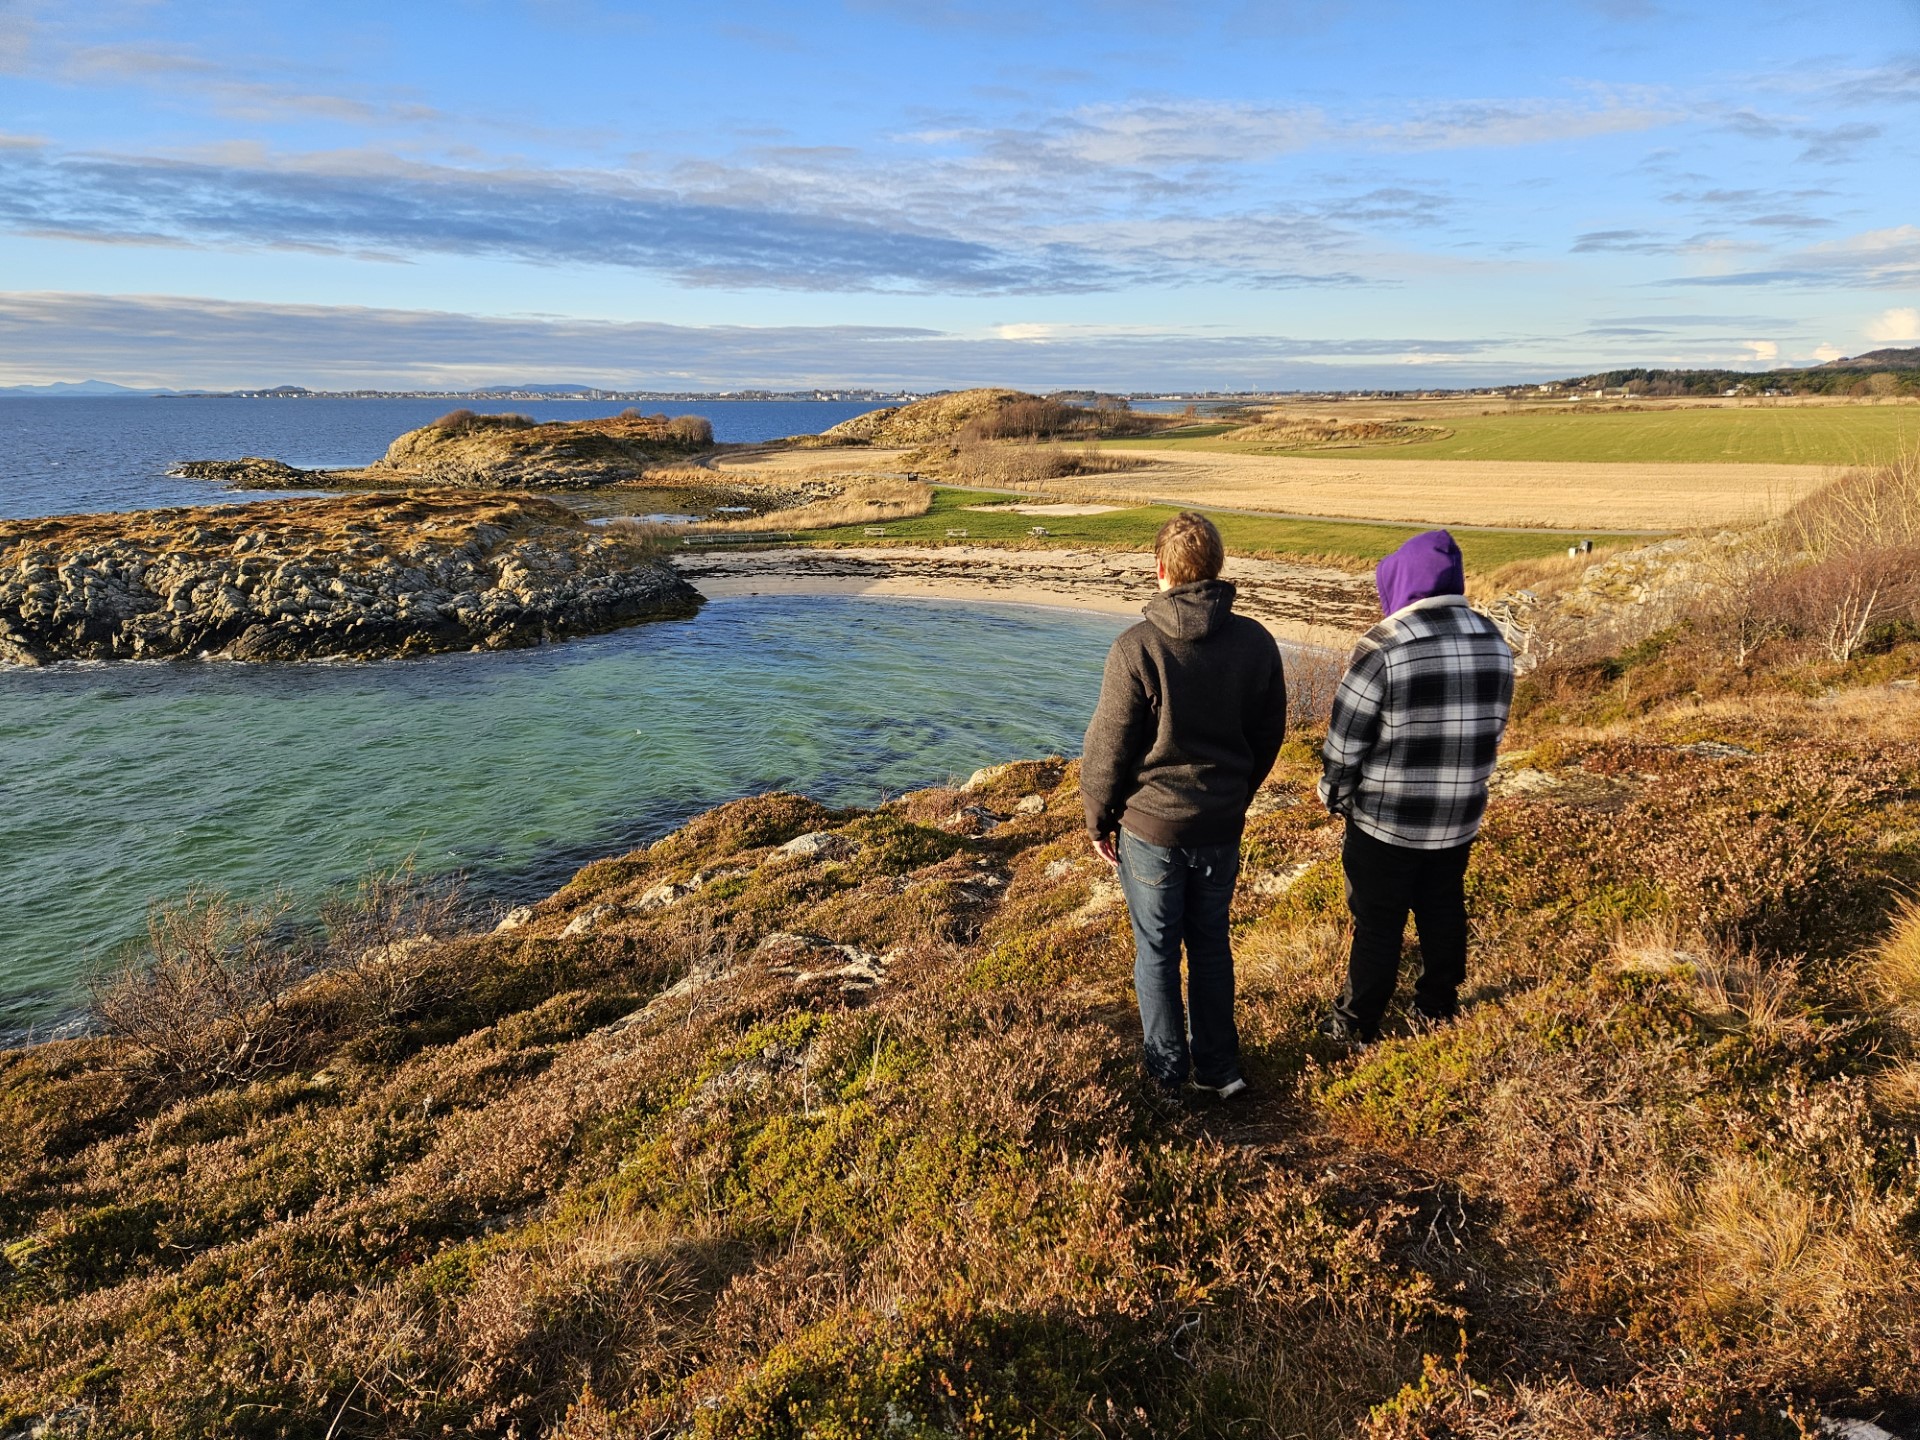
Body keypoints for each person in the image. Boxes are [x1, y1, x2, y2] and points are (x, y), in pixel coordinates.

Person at [1082, 512, 1288, 1099]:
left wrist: (1098, 818)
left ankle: (1168, 1078)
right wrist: (1237, 793)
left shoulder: (1136, 646)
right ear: (1217, 567)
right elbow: (1268, 733)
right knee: (1210, 943)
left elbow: (1107, 747)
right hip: (1221, 821)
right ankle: (1221, 1071)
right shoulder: (1255, 642)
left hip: (1152, 827)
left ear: (1160, 570)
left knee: (1156, 950)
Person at [1317, 529, 1514, 1043]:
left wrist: (1335, 792)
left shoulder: (1384, 646)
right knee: (1443, 906)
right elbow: (1495, 722)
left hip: (1388, 817)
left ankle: (1357, 1023)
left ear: (1401, 582)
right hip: (1460, 812)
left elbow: (1344, 742)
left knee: (1379, 922)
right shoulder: (1494, 640)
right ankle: (1438, 1007)